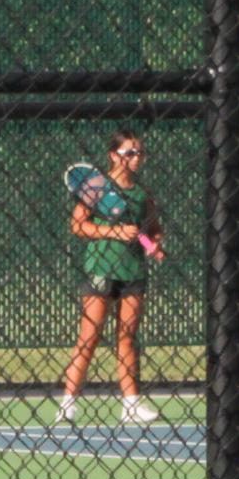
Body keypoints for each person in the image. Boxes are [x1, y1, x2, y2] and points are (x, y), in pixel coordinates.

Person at [57, 129, 164, 425]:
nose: (136, 158)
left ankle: (131, 405)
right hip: (101, 269)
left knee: (127, 338)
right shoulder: (96, 188)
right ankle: (68, 403)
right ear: (113, 155)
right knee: (89, 337)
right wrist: (113, 231)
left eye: (139, 152)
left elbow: (151, 227)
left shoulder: (142, 194)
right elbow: (79, 226)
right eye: (129, 152)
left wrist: (154, 244)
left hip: (133, 271)